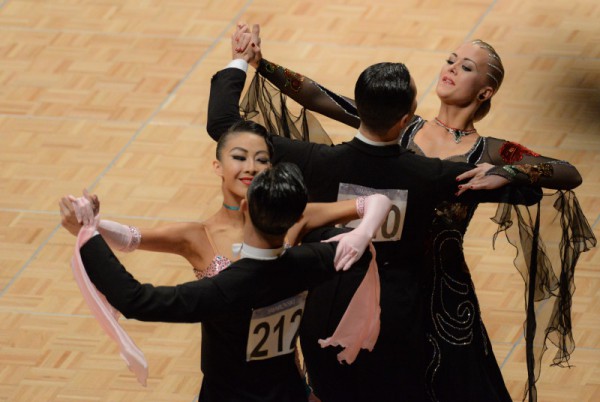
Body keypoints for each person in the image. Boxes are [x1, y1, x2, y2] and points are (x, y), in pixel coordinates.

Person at [231, 25, 596, 402]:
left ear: (485, 92)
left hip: (444, 294)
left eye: (466, 67)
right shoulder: (402, 127)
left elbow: (568, 172)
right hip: (377, 281)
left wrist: (508, 172)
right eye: (450, 60)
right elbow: (320, 96)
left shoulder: (488, 151)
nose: (451, 68)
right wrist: (260, 64)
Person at [70, 162, 391, 402]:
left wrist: (87, 235)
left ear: (246, 208)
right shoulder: (312, 261)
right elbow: (377, 208)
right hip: (288, 392)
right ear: (296, 219)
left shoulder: (225, 288)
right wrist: (362, 234)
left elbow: (136, 300)